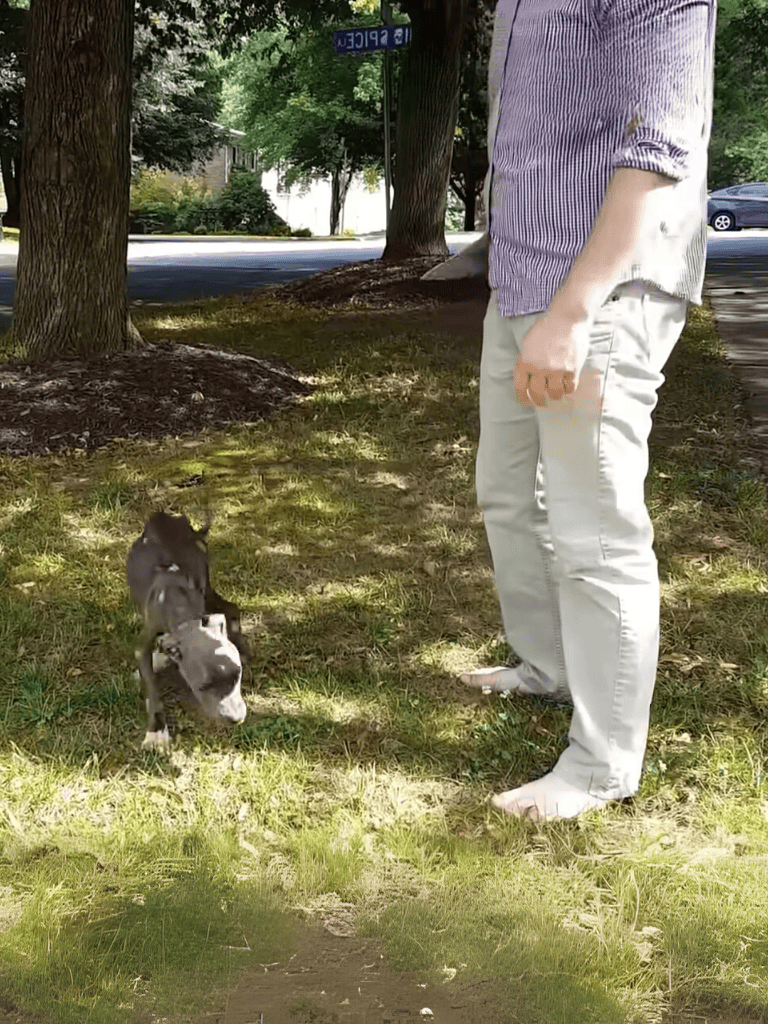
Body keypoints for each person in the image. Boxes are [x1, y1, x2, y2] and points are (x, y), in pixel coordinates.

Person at [424, 0, 717, 820]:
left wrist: (577, 308)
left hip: (601, 294)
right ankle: (548, 665)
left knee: (595, 531)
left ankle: (601, 764)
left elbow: (657, 146)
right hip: (520, 281)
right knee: (507, 491)